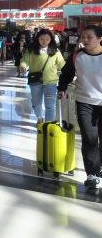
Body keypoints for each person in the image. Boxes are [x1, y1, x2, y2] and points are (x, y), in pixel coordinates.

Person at [57, 25, 102, 189]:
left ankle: (100, 166)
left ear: (100, 39)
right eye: (83, 36)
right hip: (85, 102)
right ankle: (92, 174)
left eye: (89, 37)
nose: (85, 40)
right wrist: (61, 87)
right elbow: (67, 74)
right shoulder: (78, 56)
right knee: (89, 140)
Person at [19, 29, 65, 125]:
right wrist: (23, 66)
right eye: (42, 39)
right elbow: (24, 60)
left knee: (50, 105)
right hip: (35, 81)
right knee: (36, 103)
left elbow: (62, 64)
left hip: (50, 82)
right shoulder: (31, 50)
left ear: (51, 39)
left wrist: (70, 73)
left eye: (47, 39)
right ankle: (39, 118)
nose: (44, 42)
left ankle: (49, 125)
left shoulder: (55, 51)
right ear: (37, 39)